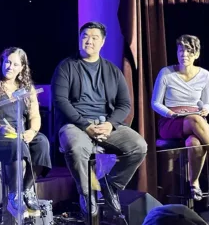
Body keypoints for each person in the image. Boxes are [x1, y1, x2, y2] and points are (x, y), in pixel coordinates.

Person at [51, 21, 147, 220]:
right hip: (75, 124)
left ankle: (110, 184)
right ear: (79, 39)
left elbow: (124, 104)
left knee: (138, 146)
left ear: (102, 42)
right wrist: (85, 125)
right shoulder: (66, 67)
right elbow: (60, 101)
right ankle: (87, 193)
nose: (89, 41)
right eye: (85, 36)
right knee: (77, 148)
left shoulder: (112, 71)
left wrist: (110, 124)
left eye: (94, 37)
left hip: (106, 124)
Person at [151, 34, 209, 201]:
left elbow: (207, 103)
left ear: (196, 54)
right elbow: (155, 103)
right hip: (171, 122)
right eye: (181, 50)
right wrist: (170, 113)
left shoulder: (205, 76)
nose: (184, 55)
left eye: (188, 51)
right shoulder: (166, 73)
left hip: (195, 119)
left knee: (194, 143)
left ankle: (194, 184)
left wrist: (205, 110)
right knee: (195, 120)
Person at [0, 47, 52, 215]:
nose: (10, 67)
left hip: (19, 133)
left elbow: (35, 117)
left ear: (22, 67)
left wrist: (32, 131)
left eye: (16, 64)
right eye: (7, 62)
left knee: (42, 143)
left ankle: (26, 189)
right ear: (1, 63)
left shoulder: (27, 88)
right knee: (17, 145)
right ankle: (14, 194)